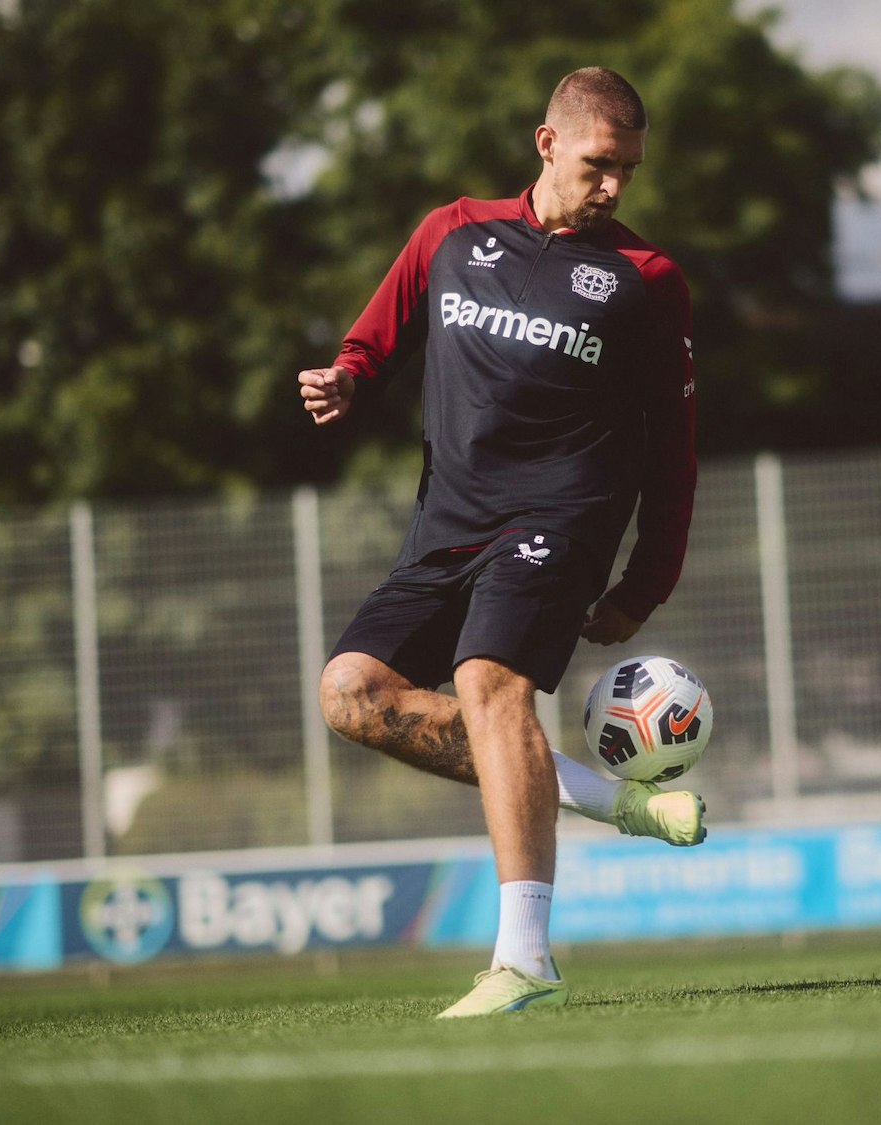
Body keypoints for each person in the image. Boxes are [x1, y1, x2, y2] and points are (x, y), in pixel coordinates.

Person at [297, 67, 702, 1018]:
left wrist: (646, 579)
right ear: (547, 142)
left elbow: (675, 453)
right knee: (350, 694)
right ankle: (610, 800)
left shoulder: (648, 282)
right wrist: (347, 379)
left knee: (488, 683)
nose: (615, 188)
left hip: (562, 515)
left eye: (629, 172)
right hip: (447, 523)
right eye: (602, 165)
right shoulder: (450, 232)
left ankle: (525, 958)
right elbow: (374, 340)